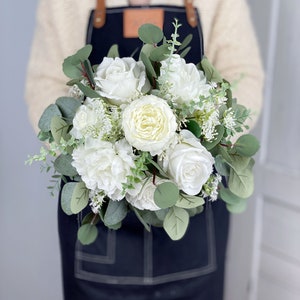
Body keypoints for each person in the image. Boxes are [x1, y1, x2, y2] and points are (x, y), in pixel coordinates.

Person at [25, 0, 264, 299]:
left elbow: (245, 78)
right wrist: (103, 143)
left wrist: (190, 137)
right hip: (99, 217)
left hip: (193, 221)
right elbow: (43, 85)